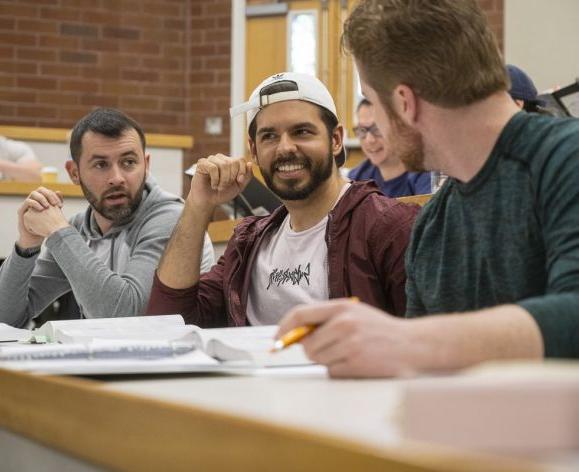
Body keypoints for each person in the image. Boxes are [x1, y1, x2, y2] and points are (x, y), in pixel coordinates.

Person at [277, 0, 579, 377]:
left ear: (404, 103)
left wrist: (406, 340)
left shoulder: (568, 159)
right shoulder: (432, 226)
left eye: (372, 102)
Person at [147, 72, 418, 327]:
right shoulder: (248, 244)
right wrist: (198, 204)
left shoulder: (388, 227)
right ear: (254, 149)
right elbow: (168, 322)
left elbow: (423, 343)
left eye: (302, 132)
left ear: (336, 140)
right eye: (269, 136)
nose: (285, 147)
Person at [0, 107, 214, 327]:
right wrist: (26, 245)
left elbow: (127, 318)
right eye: (101, 164)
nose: (117, 178)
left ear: (146, 165)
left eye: (129, 162)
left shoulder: (173, 219)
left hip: (176, 358)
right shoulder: (80, 229)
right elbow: (5, 319)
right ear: (74, 172)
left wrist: (58, 232)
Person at [348, 98, 431, 196]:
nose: (369, 140)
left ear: (399, 127)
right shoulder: (357, 178)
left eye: (377, 128)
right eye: (362, 130)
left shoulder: (424, 175)